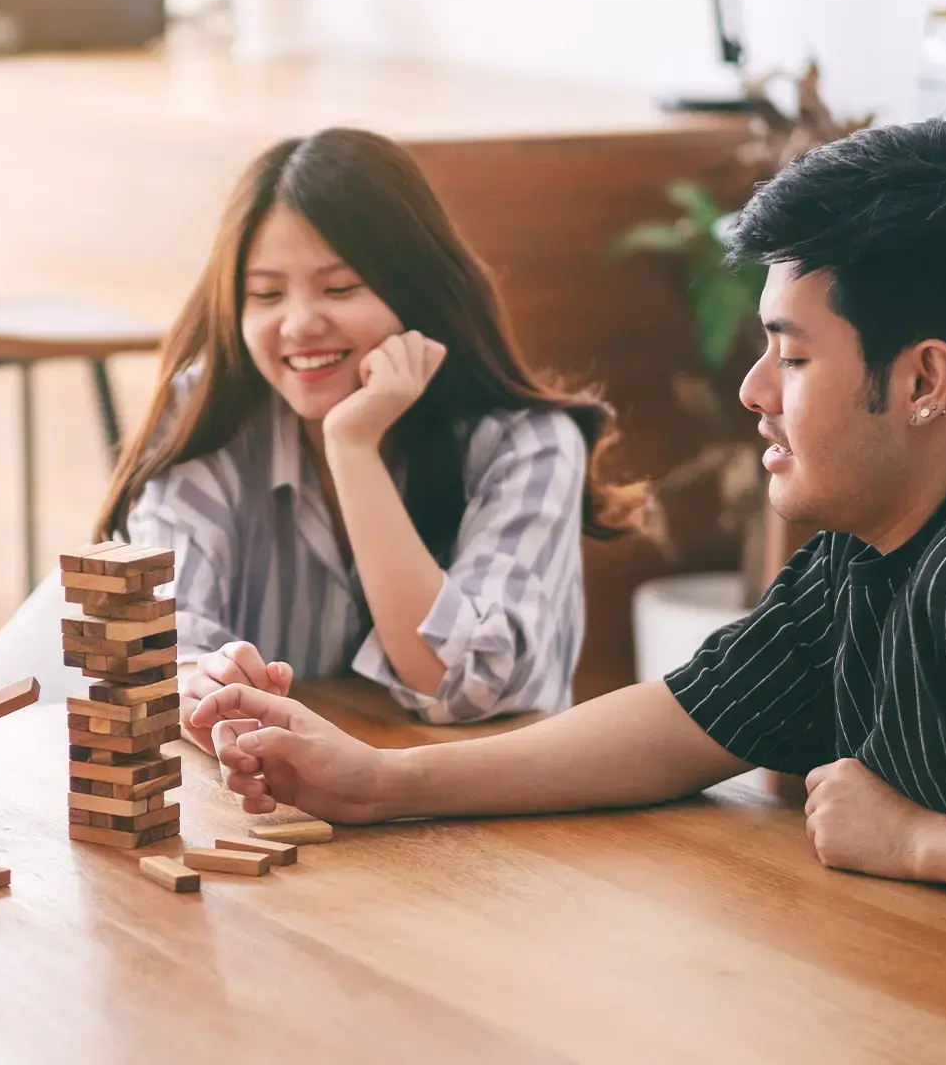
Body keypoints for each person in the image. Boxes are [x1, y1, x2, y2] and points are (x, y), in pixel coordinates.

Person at [193, 119, 946, 934]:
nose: (753, 390)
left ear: (923, 383)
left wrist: (916, 841)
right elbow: (681, 722)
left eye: (791, 355)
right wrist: (381, 783)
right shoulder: (875, 550)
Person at [94, 128, 639, 748]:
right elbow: (160, 638)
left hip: (486, 820)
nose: (299, 324)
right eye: (266, 294)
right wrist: (197, 679)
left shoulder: (530, 444)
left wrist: (353, 448)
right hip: (264, 799)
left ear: (416, 291)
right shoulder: (209, 416)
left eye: (340, 288)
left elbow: (459, 686)